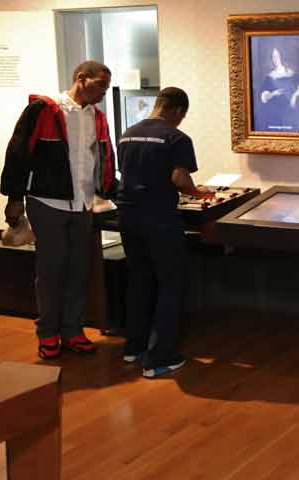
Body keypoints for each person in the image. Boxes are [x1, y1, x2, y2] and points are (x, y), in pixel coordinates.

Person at [0, 60, 117, 359]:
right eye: (101, 84)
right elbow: (18, 152)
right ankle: (48, 333)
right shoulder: (43, 110)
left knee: (79, 270)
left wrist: (110, 192)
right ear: (81, 78)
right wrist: (14, 198)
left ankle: (73, 330)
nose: (105, 91)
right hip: (46, 202)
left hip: (83, 204)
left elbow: (101, 159)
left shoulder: (98, 117)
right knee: (51, 270)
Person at [115, 87, 213, 378]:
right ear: (178, 110)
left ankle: (134, 347)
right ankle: (161, 357)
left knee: (139, 278)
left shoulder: (127, 133)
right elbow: (179, 178)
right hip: (159, 217)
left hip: (127, 214)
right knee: (171, 282)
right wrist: (196, 192)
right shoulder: (176, 137)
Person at [255, 47, 299, 132]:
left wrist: (295, 96)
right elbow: (263, 96)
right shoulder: (270, 77)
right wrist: (273, 94)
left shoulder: (292, 74)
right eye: (273, 57)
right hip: (275, 113)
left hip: (291, 111)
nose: (275, 59)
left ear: (282, 56)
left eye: (277, 56)